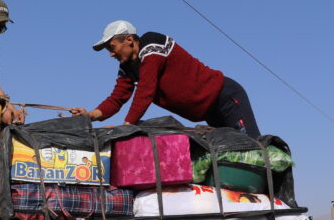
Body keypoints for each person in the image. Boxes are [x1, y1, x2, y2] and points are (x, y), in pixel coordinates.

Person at [70, 20, 261, 137]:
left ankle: (283, 200)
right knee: (229, 156)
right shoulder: (127, 68)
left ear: (128, 39)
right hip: (208, 113)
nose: (111, 54)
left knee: (253, 149)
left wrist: (127, 126)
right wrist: (91, 115)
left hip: (225, 98)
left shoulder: (152, 44)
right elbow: (117, 98)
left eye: (112, 47)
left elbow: (146, 89)